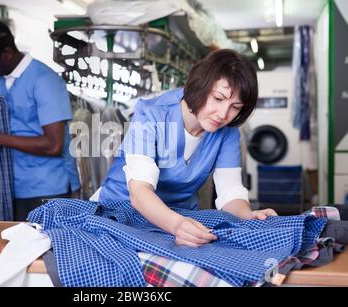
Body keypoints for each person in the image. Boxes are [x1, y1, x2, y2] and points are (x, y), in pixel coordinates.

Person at [95, 49, 277, 247]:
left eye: (236, 107)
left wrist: (248, 216)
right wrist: (177, 225)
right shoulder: (150, 115)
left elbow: (230, 191)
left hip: (180, 218)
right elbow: (139, 192)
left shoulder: (228, 133)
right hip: (122, 213)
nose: (223, 114)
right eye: (218, 98)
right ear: (200, 86)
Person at [0, 20, 80, 221]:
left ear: (7, 53)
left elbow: (53, 145)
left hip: (47, 188)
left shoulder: (45, 80)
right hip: (11, 186)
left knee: (46, 249)